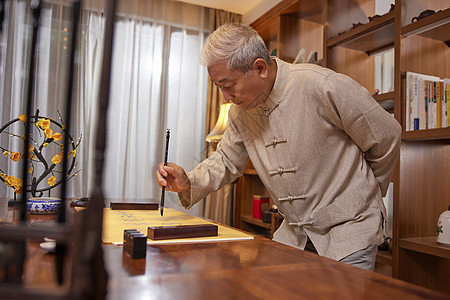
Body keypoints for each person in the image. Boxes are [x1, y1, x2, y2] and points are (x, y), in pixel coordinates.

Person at [155, 23, 401, 271]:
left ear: (259, 67)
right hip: (295, 236)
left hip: (351, 232)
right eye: (218, 87)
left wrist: (368, 192)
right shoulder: (240, 114)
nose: (226, 97)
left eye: (228, 85)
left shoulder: (322, 85)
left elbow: (387, 136)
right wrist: (189, 181)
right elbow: (226, 161)